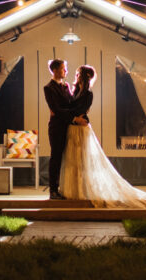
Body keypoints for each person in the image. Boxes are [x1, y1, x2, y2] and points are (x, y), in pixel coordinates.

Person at [59, 65, 146, 208]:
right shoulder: (75, 91)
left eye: (78, 74)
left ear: (84, 76)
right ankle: (74, 190)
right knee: (73, 161)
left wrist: (70, 113)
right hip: (73, 127)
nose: (76, 76)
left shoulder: (88, 94)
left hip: (81, 129)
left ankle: (81, 191)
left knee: (81, 160)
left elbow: (79, 109)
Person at [43, 59, 86, 199]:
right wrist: (74, 118)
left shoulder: (66, 86)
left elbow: (70, 105)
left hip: (68, 127)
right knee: (56, 157)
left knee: (67, 157)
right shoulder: (48, 88)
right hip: (57, 128)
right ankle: (53, 190)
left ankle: (65, 187)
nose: (66, 71)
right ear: (55, 70)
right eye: (63, 68)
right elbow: (56, 109)